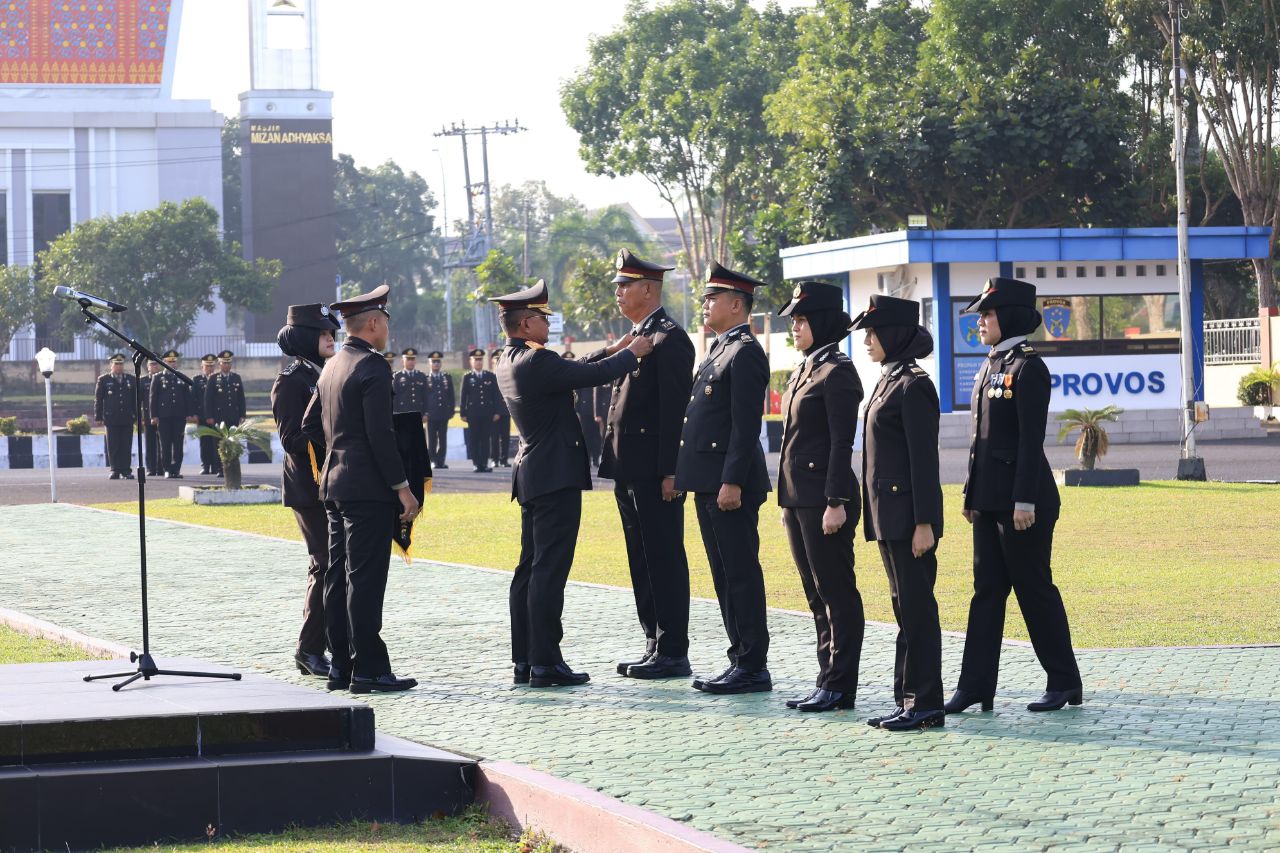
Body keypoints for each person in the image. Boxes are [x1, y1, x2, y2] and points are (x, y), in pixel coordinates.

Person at [489, 279, 654, 688]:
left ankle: (526, 659)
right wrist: (631, 353)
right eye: (543, 319)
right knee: (549, 570)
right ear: (526, 324)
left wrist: (612, 349)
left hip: (533, 474)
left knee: (529, 568)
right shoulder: (537, 361)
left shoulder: (508, 359)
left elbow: (573, 369)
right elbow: (588, 375)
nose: (548, 324)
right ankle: (546, 661)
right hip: (554, 476)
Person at [947, 277, 1083, 714]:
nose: (980, 322)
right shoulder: (991, 365)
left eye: (987, 314)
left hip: (1024, 503)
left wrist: (1024, 500)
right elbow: (980, 441)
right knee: (986, 592)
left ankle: (1064, 681)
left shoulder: (1028, 367)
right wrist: (971, 495)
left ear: (1008, 316)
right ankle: (975, 686)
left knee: (1033, 589)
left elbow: (1029, 440)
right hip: (989, 501)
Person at [301, 284, 420, 694]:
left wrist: (339, 449)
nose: (387, 327)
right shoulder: (372, 366)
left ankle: (342, 666)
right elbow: (380, 435)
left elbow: (309, 424)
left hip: (334, 484)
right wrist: (402, 487)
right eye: (385, 319)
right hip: (368, 489)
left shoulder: (332, 365)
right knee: (364, 579)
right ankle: (368, 667)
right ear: (372, 323)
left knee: (338, 576)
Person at [583, 248, 695, 680]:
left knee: (664, 557)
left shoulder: (669, 338)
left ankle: (673, 650)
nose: (618, 292)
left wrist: (671, 470)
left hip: (654, 471)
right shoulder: (635, 338)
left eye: (625, 285)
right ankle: (653, 642)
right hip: (628, 467)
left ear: (648, 290)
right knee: (641, 558)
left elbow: (674, 412)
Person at [677, 262, 773, 695]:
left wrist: (731, 480)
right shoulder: (720, 348)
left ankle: (753, 665)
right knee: (723, 574)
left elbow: (745, 424)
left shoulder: (745, 351)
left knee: (740, 573)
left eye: (712, 298)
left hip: (729, 484)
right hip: (708, 481)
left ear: (737, 305)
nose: (705, 304)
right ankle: (739, 657)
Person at [853, 294, 947, 732]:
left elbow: (924, 461)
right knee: (904, 610)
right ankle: (907, 700)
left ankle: (925, 703)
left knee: (917, 611)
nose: (867, 341)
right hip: (888, 516)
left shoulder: (914, 385)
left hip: (910, 519)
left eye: (873, 333)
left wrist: (924, 522)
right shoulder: (888, 380)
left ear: (893, 334)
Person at [775, 281, 864, 712]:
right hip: (798, 499)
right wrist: (787, 502)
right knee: (815, 594)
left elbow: (841, 443)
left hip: (826, 500)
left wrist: (835, 502)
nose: (795, 326)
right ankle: (825, 679)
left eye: (802, 319)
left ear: (823, 322)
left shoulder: (838, 372)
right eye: (793, 319)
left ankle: (841, 685)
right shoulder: (805, 369)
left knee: (836, 593)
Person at [272, 302, 341, 680]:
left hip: (332, 482)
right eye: (323, 334)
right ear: (304, 338)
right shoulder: (292, 380)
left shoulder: (327, 372)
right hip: (307, 486)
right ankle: (309, 649)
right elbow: (291, 439)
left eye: (332, 333)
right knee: (324, 563)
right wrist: (335, 434)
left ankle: (330, 642)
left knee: (336, 564)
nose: (331, 339)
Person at [149, 350, 195, 479]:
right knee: (165, 444)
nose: (172, 364)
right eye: (169, 362)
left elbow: (187, 397)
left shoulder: (181, 377)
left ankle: (176, 469)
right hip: (164, 417)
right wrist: (153, 415)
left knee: (178, 444)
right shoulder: (158, 377)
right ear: (164, 362)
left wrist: (189, 413)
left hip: (179, 416)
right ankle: (167, 469)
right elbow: (153, 398)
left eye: (174, 361)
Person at [94, 353, 137, 480]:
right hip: (111, 418)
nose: (119, 366)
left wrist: (136, 416)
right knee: (113, 446)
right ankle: (115, 469)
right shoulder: (104, 380)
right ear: (111, 365)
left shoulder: (131, 379)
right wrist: (98, 417)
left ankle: (126, 470)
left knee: (126, 445)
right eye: (116, 364)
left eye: (120, 364)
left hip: (127, 417)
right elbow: (98, 400)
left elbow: (135, 399)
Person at [459, 348, 500, 472]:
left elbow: (495, 395)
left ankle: (484, 463)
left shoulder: (490, 376)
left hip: (487, 413)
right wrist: (463, 412)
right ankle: (476, 463)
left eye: (480, 360)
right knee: (475, 439)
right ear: (471, 361)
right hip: (473, 414)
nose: (478, 362)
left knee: (486, 439)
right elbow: (463, 396)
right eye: (476, 360)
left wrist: (497, 411)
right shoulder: (468, 377)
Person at [562, 353, 601, 468]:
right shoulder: (580, 376)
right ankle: (587, 459)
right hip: (584, 412)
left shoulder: (595, 376)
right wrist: (577, 411)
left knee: (596, 437)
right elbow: (577, 395)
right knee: (586, 436)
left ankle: (596, 459)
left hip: (594, 411)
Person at [203, 350, 247, 436]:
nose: (227, 365)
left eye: (228, 363)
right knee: (219, 441)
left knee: (233, 440)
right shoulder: (213, 378)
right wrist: (209, 416)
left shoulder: (236, 377)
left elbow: (241, 398)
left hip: (234, 416)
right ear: (219, 364)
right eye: (224, 363)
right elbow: (208, 399)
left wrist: (242, 415)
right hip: (218, 417)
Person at [424, 351, 455, 469]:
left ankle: (441, 460)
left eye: (438, 362)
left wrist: (451, 410)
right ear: (429, 363)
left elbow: (451, 396)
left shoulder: (446, 377)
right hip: (431, 414)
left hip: (443, 413)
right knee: (432, 439)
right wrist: (424, 412)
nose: (436, 364)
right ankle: (433, 460)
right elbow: (423, 398)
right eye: (433, 362)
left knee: (443, 438)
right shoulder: (425, 378)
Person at [193, 354, 220, 475]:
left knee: (216, 442)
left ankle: (216, 466)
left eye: (211, 366)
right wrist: (194, 414)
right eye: (207, 366)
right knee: (204, 442)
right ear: (202, 367)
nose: (209, 368)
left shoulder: (218, 379)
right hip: (202, 416)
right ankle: (205, 465)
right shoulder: (197, 380)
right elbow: (193, 398)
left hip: (216, 416)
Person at [489, 348, 512, 467]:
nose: (498, 361)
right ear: (492, 361)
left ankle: (504, 459)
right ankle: (495, 459)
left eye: (500, 358)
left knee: (505, 437)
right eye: (496, 359)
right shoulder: (489, 377)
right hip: (494, 413)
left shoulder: (507, 376)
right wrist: (495, 411)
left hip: (506, 411)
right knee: (494, 437)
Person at [140, 359, 163, 477]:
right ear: (147, 366)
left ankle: (161, 468)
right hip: (148, 417)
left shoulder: (163, 379)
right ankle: (151, 468)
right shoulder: (142, 381)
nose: (155, 366)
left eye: (156, 364)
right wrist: (140, 417)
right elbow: (138, 401)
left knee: (162, 444)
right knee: (149, 444)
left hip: (162, 416)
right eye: (152, 364)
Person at [392, 348, 429, 416]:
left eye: (412, 359)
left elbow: (425, 396)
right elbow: (395, 398)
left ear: (415, 361)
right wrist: (395, 413)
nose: (410, 362)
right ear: (402, 361)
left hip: (418, 412)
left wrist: (426, 413)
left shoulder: (421, 376)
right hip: (403, 412)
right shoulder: (397, 376)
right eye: (408, 359)